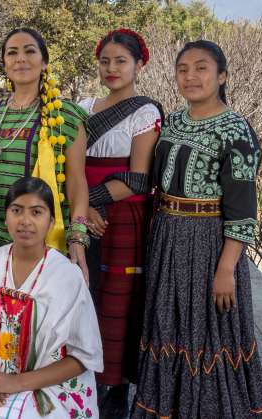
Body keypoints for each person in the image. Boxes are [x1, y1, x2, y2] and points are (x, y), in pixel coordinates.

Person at [132, 41, 262, 419]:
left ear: (222, 76)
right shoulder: (173, 122)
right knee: (167, 322)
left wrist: (226, 269)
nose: (190, 76)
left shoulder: (235, 131)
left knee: (209, 332)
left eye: (201, 68)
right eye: (182, 69)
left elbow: (242, 211)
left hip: (209, 245)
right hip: (167, 238)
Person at [0, 177, 103, 419]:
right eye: (17, 210)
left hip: (50, 385)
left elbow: (82, 358)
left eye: (37, 212)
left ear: (51, 222)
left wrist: (16, 383)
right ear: (6, 218)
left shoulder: (68, 277)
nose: (25, 221)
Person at [78, 28, 163, 417]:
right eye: (105, 61)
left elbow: (138, 179)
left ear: (139, 65)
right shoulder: (82, 106)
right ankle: (72, 383)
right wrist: (81, 208)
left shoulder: (145, 112)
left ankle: (110, 395)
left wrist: (87, 202)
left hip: (122, 216)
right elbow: (69, 166)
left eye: (121, 61)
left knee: (115, 302)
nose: (111, 68)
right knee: (81, 294)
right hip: (82, 214)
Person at [0, 28, 91, 279]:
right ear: (4, 63)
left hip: (41, 243)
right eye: (12, 53)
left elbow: (77, 182)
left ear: (44, 61)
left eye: (29, 51)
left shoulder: (64, 116)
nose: (20, 58)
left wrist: (77, 237)